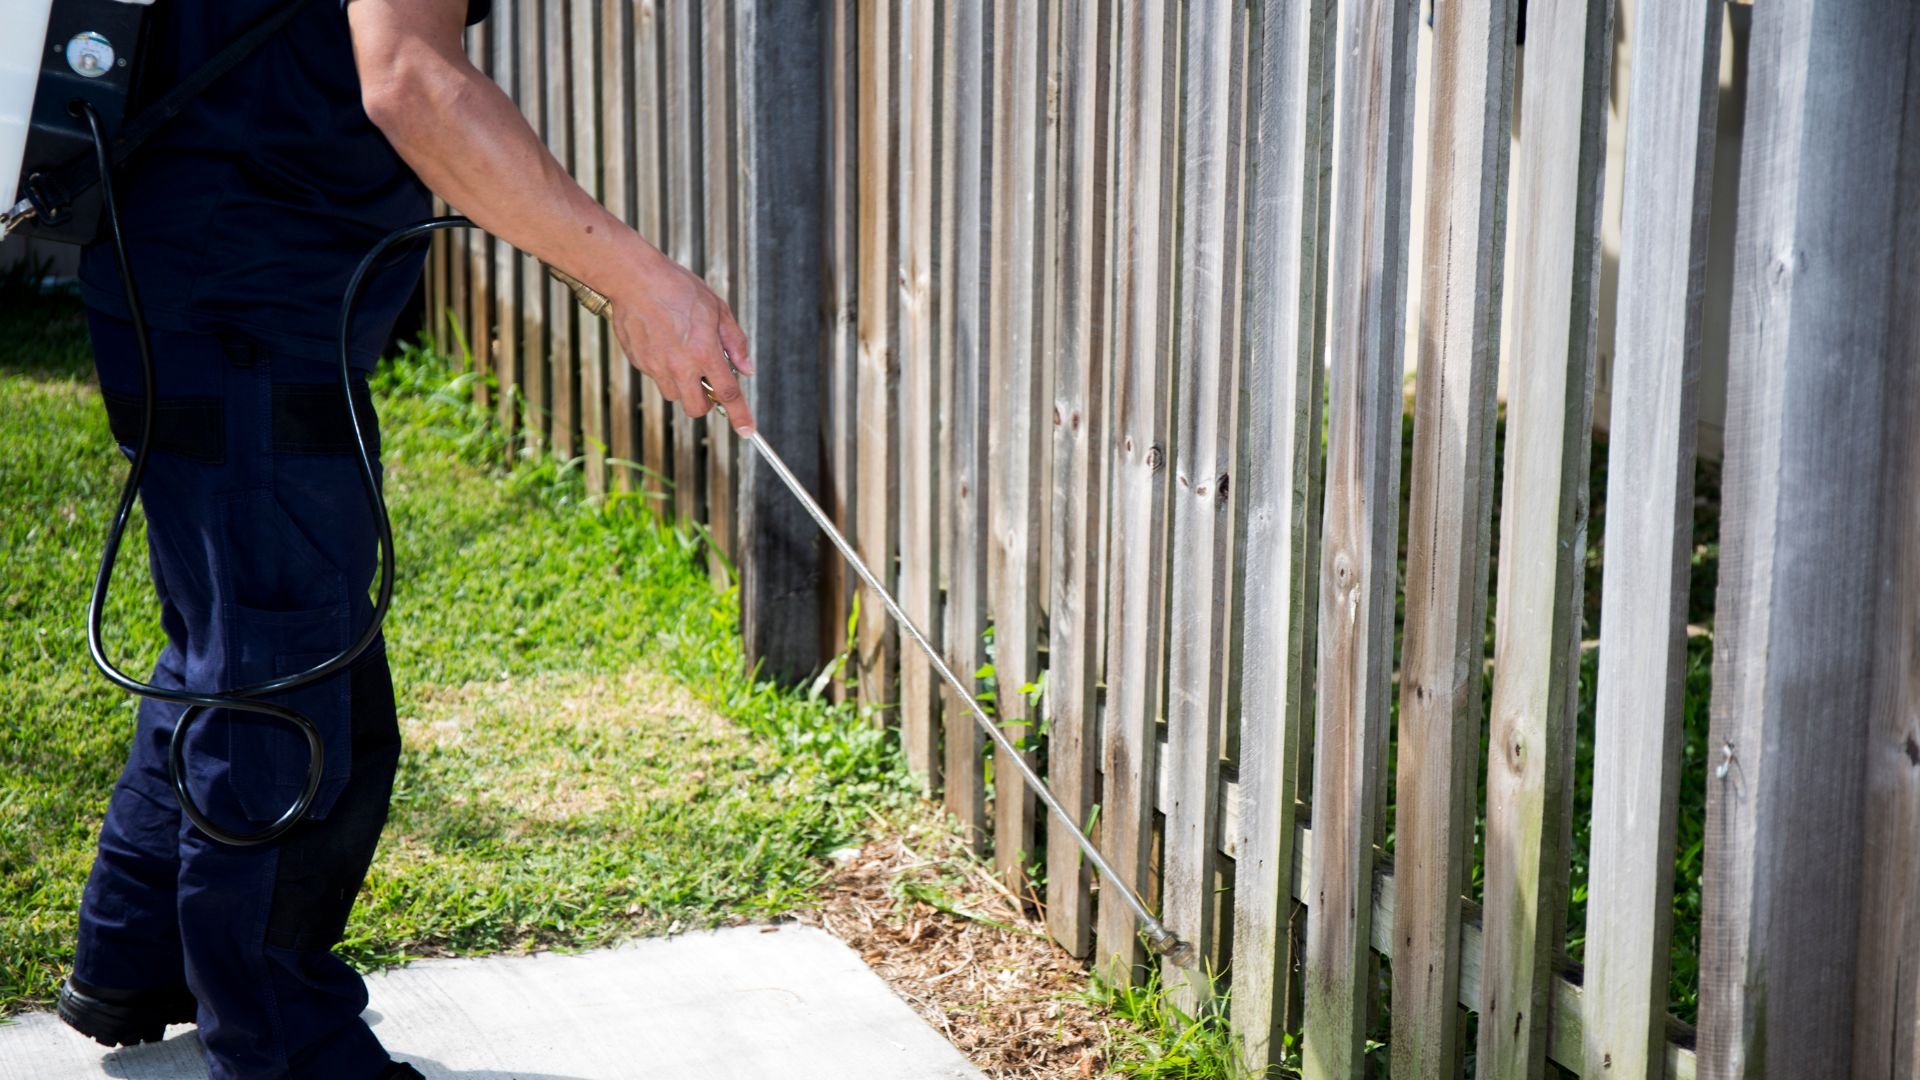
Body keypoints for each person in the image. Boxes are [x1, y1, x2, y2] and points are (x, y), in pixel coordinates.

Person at [57, 1, 755, 1076]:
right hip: (242, 297)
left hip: (189, 269)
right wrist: (637, 277)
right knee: (287, 688)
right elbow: (414, 83)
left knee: (235, 629)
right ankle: (284, 1046)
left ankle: (138, 955)